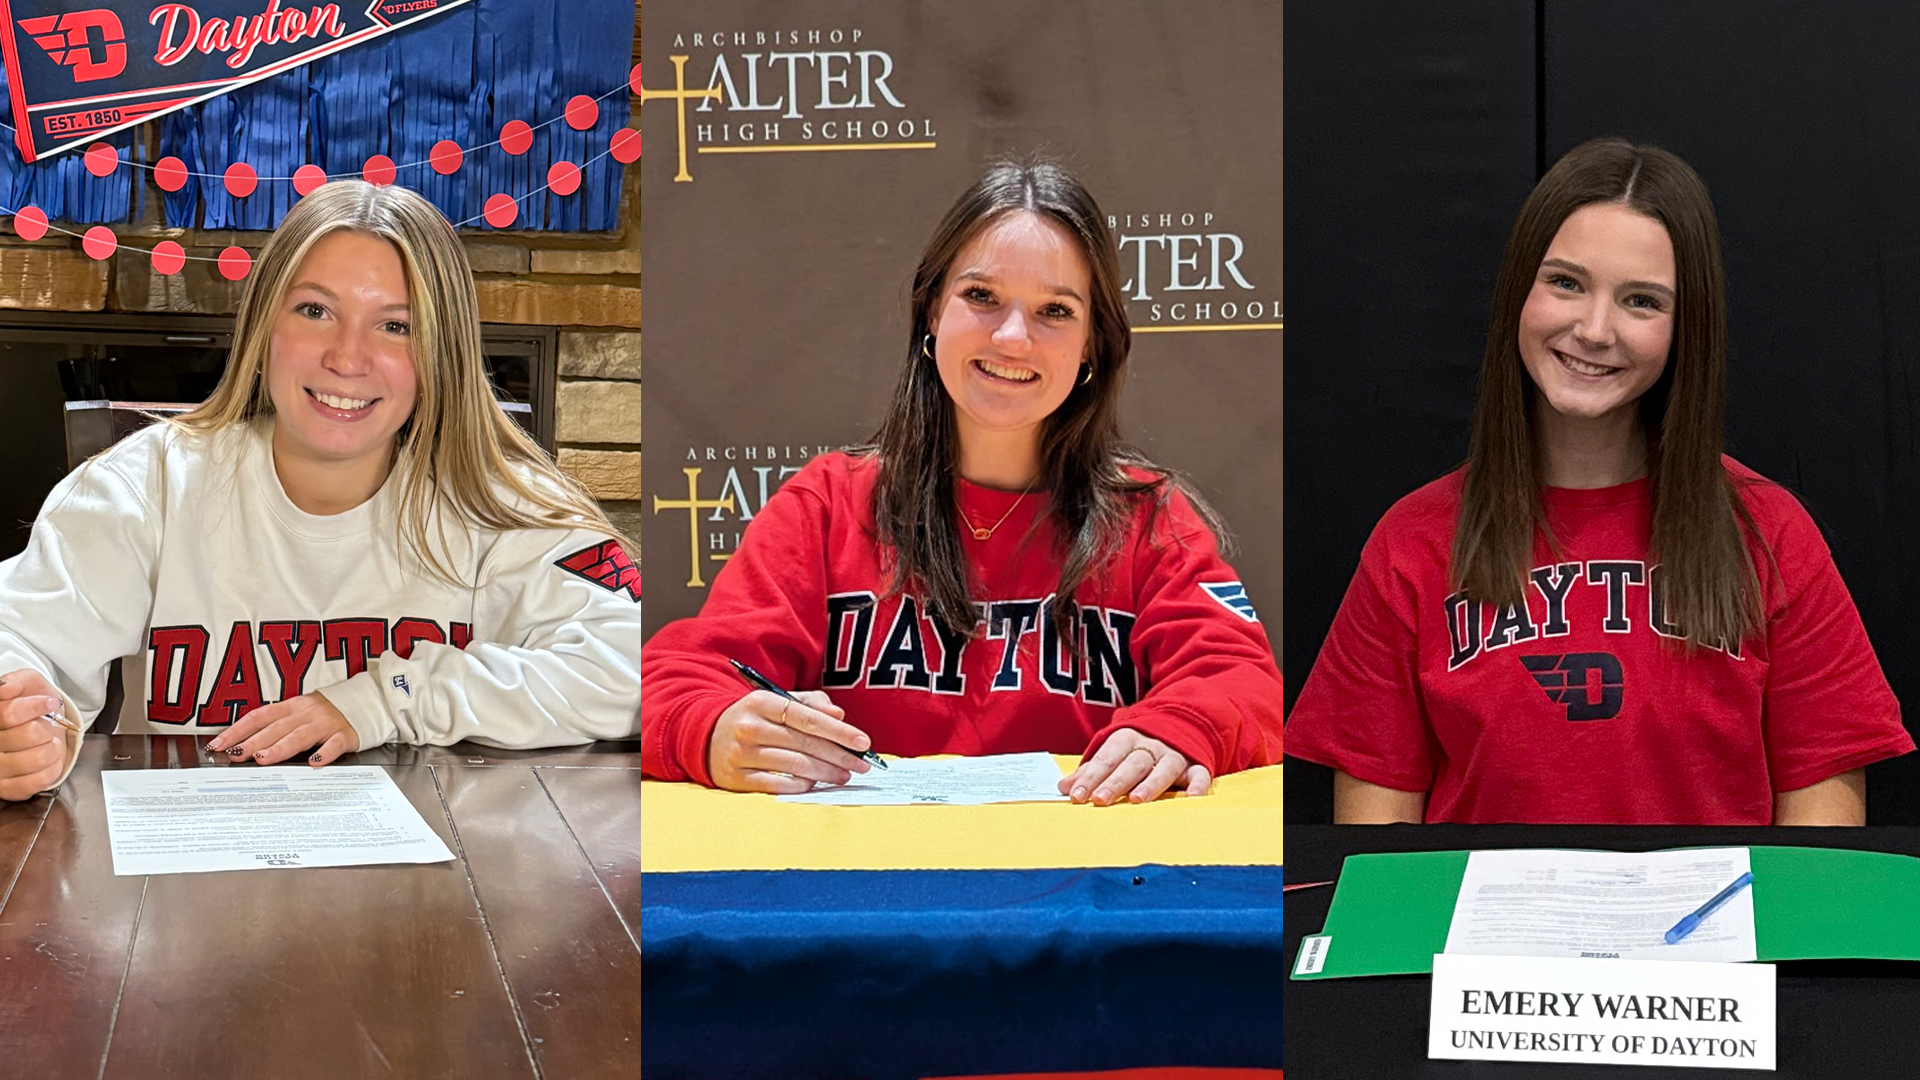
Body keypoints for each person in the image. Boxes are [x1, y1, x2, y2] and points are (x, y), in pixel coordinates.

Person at [1286, 138, 1911, 825]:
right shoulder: (1413, 540)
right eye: (1566, 283)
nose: (1594, 329)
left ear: (1685, 329)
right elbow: (1378, 854)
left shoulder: (1769, 533)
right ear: (1519, 293)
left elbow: (1820, 832)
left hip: (1704, 931)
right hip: (1480, 932)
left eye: (1641, 301)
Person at [641, 160, 1282, 803]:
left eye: (1054, 310)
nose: (1012, 337)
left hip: (1083, 886)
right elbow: (682, 677)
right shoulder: (828, 505)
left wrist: (1180, 728)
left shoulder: (1150, 520)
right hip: (869, 884)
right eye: (981, 297)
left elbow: (1245, 683)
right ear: (931, 312)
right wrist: (714, 728)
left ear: (1092, 344)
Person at [0, 180, 643, 802]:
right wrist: (24, 719)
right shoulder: (147, 486)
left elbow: (642, 669)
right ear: (263, 327)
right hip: (188, 876)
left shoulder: (503, 502)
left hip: (439, 877)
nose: (347, 357)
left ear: (438, 352)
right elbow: (22, 639)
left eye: (396, 326)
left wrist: (387, 698)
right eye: (315, 311)